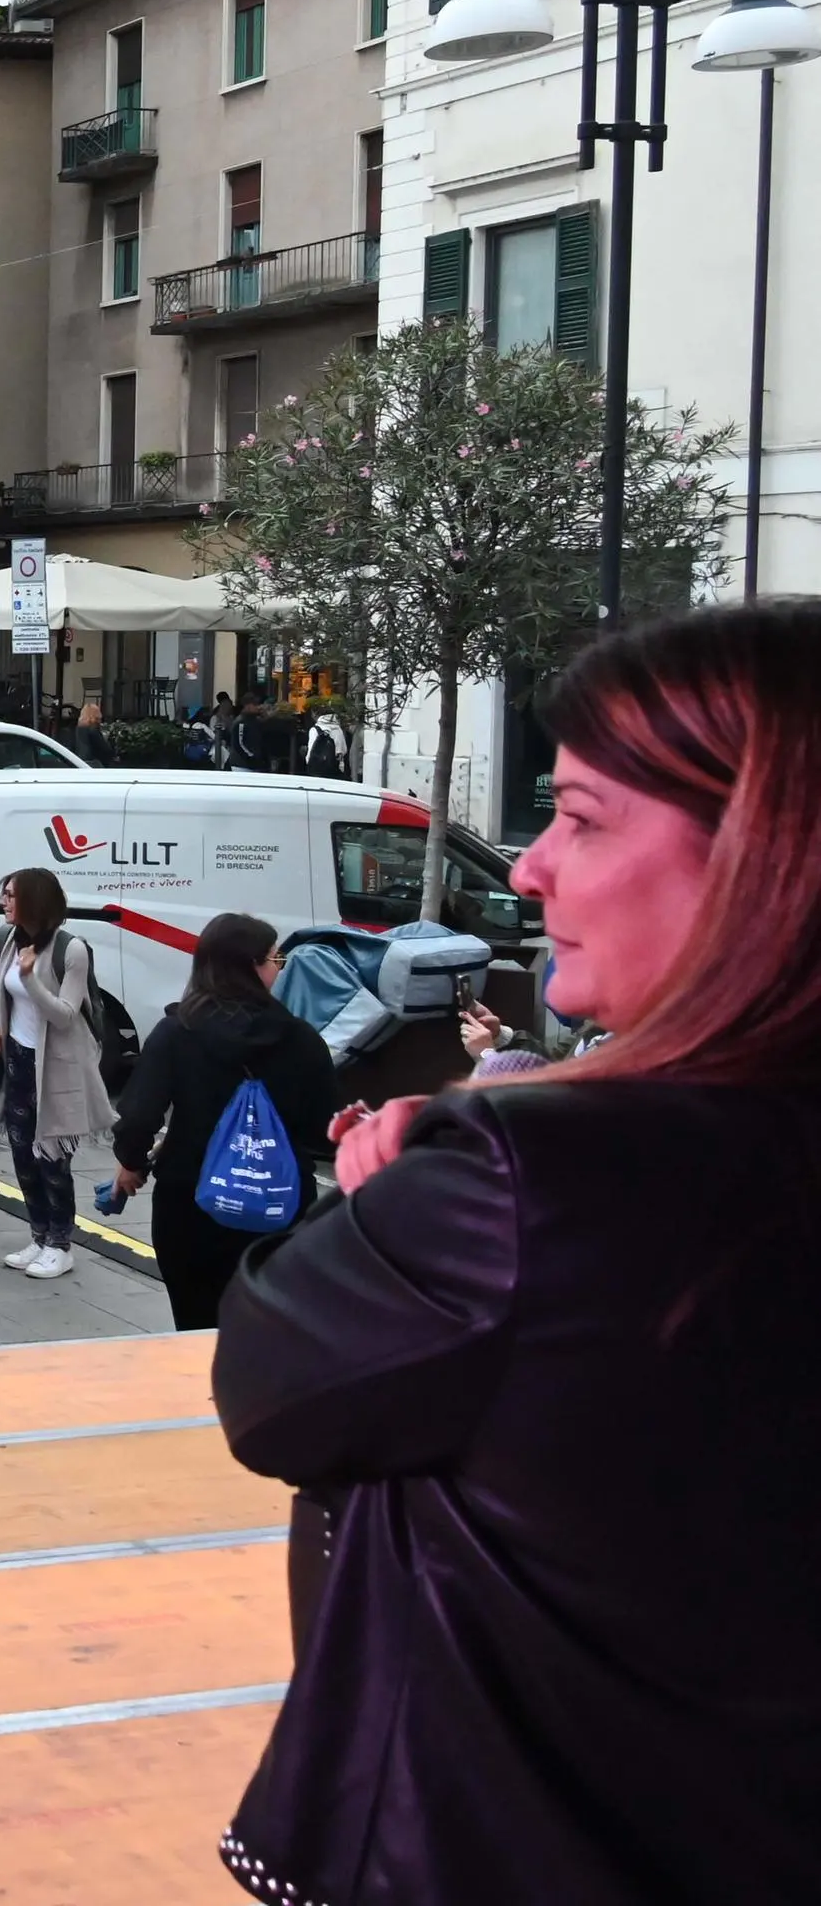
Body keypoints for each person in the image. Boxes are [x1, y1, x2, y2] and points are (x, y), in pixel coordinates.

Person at [210, 599, 821, 1906]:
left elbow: (269, 1381)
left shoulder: (522, 1184)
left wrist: (419, 1167)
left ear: (763, 855)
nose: (531, 867)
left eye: (583, 817)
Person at [105, 913, 338, 1330]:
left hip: (190, 1202)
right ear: (251, 966)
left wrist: (132, 1163)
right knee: (268, 1328)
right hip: (280, 1204)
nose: (279, 966)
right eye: (275, 957)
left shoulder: (176, 1032)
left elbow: (139, 1114)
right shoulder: (302, 1040)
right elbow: (325, 1131)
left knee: (195, 1322)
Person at [0, 866, 115, 1280]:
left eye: (11, 896)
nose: (3, 902)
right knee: (23, 1156)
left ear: (34, 902)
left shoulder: (70, 950)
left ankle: (61, 1244)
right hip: (20, 1061)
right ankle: (39, 1236)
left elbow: (64, 1015)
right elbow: (4, 995)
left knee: (54, 1158)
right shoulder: (7, 938)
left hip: (56, 1069)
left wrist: (30, 978)